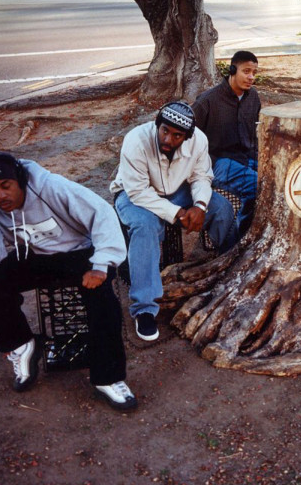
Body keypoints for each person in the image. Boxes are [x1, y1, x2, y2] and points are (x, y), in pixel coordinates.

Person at [0, 152, 137, 411]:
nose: (0, 196)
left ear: (20, 180)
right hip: (36, 257)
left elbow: (103, 215)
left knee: (103, 300)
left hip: (82, 255)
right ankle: (22, 345)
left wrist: (101, 265)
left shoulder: (51, 187)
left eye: (6, 186)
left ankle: (109, 378)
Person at [111, 101, 238, 342]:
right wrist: (179, 213)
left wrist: (200, 205)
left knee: (221, 208)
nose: (168, 139)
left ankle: (230, 272)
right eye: (164, 131)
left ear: (187, 136)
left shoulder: (198, 140)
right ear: (157, 125)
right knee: (145, 227)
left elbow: (201, 176)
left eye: (177, 135)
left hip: (177, 190)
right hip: (133, 194)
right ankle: (144, 309)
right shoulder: (136, 141)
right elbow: (137, 192)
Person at [192, 50, 261, 235]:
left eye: (254, 73)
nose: (251, 77)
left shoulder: (253, 97)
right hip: (217, 162)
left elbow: (254, 135)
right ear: (232, 70)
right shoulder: (207, 101)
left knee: (275, 178)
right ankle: (242, 235)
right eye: (246, 71)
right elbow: (187, 137)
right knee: (257, 185)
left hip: (246, 157)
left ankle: (249, 230)